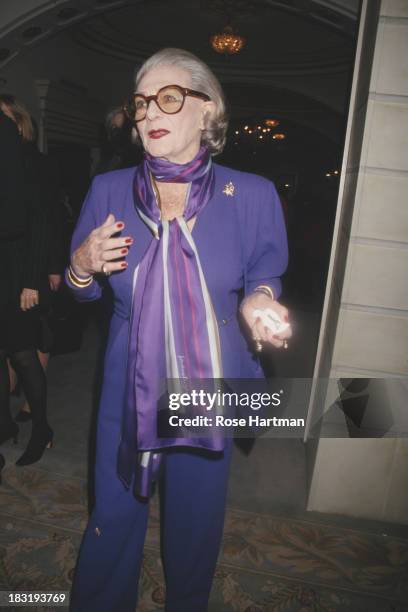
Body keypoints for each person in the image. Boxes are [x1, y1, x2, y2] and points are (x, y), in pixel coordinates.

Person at [67, 48, 291, 612]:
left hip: (208, 375)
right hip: (127, 376)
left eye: (168, 97)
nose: (149, 113)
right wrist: (81, 267)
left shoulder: (254, 194)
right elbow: (82, 293)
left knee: (195, 518)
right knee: (114, 511)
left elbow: (266, 273)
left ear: (207, 110)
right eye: (141, 102)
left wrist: (260, 303)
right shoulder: (109, 190)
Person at [0, 95, 53, 466]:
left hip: (20, 273)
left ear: (18, 123)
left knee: (23, 355)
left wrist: (33, 281)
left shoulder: (33, 163)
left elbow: (42, 224)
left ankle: (41, 428)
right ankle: (3, 429)